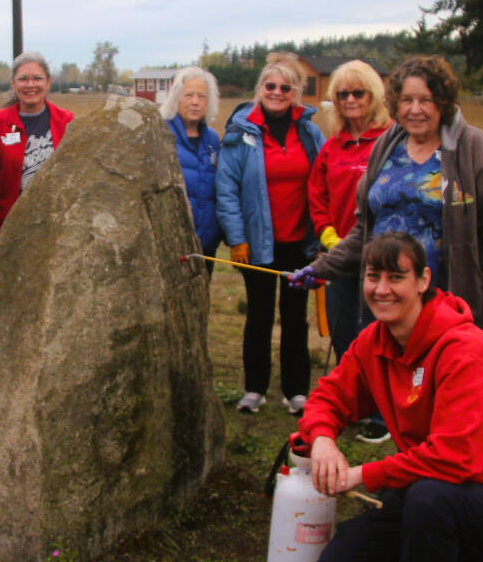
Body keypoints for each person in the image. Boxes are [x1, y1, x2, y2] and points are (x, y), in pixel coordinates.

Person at [297, 231, 483, 562]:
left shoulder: (463, 350)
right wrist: (323, 440)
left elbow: (454, 458)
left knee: (431, 500)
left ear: (423, 281)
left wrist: (362, 474)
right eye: (372, 276)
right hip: (425, 492)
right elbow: (328, 397)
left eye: (396, 278)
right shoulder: (373, 341)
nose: (382, 290)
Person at [291, 55, 483, 336]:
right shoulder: (388, 146)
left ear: (443, 102)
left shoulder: (471, 148)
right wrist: (324, 267)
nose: (416, 110)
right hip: (386, 301)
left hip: (445, 305)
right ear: (395, 103)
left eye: (426, 100)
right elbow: (366, 228)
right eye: (407, 100)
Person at [216, 53, 325, 415]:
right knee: (259, 316)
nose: (277, 92)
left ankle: (296, 392)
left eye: (285, 87)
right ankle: (254, 389)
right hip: (256, 244)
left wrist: (324, 238)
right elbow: (227, 189)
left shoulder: (310, 132)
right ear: (260, 89)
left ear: (295, 93)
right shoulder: (240, 133)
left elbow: (324, 184)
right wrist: (236, 239)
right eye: (270, 86)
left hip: (300, 243)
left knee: (296, 317)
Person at [308, 60, 390, 361]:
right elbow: (317, 196)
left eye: (358, 93)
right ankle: (349, 396)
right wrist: (329, 236)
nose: (350, 100)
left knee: (378, 331)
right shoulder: (331, 147)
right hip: (341, 253)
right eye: (343, 95)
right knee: (342, 329)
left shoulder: (390, 140)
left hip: (382, 254)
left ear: (373, 96)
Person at [0, 51, 73, 261]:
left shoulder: (67, 122)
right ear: (13, 83)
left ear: (48, 82)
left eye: (37, 78)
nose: (31, 85)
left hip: (56, 230)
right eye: (23, 79)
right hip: (8, 231)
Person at [161, 66, 222, 270]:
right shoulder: (160, 135)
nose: (195, 102)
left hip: (207, 245)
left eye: (202, 96)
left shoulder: (213, 140)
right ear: (176, 98)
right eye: (189, 95)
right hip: (171, 246)